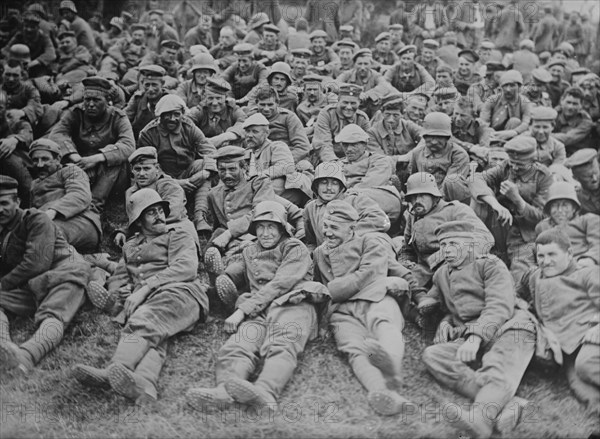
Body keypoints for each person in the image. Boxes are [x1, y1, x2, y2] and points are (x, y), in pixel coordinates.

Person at [185, 201, 327, 411]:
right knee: (239, 345)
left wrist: (242, 310)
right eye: (260, 226)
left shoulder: (294, 248)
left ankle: (266, 391)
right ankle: (224, 390)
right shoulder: (250, 250)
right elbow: (238, 271)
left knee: (283, 343)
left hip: (293, 303)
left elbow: (281, 283)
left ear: (282, 228)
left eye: (272, 227)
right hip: (260, 309)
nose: (266, 233)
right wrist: (218, 278)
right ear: (253, 229)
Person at [72, 189, 208, 404]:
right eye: (151, 212)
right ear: (138, 220)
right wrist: (122, 291)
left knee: (143, 322)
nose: (159, 216)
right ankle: (145, 384)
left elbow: (187, 268)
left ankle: (117, 368)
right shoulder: (130, 246)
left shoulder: (178, 234)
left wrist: (144, 287)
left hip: (181, 293)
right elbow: (120, 276)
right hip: (150, 303)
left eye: (160, 211)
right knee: (155, 337)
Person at [419, 220, 535, 439]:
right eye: (443, 245)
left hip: (510, 326)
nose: (447, 250)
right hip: (470, 333)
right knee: (433, 355)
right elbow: (441, 303)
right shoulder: (442, 274)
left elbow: (499, 305)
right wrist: (444, 321)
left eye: (454, 243)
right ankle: (508, 401)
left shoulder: (490, 264)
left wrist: (474, 338)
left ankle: (481, 419)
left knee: (499, 365)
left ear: (470, 244)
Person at [313, 201, 412, 416]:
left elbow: (368, 274)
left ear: (352, 228)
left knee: (384, 324)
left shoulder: (370, 242)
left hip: (375, 296)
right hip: (342, 311)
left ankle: (391, 367)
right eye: (326, 226)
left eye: (334, 228)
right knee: (353, 348)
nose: (328, 233)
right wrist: (322, 322)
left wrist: (333, 290)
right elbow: (317, 287)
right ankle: (382, 391)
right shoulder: (320, 253)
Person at [0, 175, 91, 375]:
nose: (0, 210)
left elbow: (36, 263)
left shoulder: (35, 219)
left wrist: (3, 284)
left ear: (17, 202)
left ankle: (27, 355)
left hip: (64, 273)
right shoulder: (3, 229)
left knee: (54, 313)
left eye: (4, 203)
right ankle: (4, 345)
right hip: (33, 285)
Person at [518, 229, 599, 413]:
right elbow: (514, 291)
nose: (546, 261)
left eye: (552, 254)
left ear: (569, 254)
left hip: (591, 337)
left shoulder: (587, 273)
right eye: (541, 256)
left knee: (586, 365)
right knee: (582, 388)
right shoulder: (534, 276)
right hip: (567, 348)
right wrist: (519, 303)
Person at [469, 136, 553, 283]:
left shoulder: (543, 176)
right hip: (498, 225)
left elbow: (542, 217)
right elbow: (475, 179)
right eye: (512, 162)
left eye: (520, 164)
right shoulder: (505, 167)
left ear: (533, 161)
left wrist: (518, 200)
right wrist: (496, 205)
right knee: (479, 200)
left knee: (520, 271)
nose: (514, 168)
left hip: (523, 233)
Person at [399, 172, 493, 297]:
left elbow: (485, 238)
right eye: (413, 197)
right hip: (422, 274)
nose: (417, 201)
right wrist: (405, 263)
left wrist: (444, 255)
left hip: (453, 268)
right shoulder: (413, 216)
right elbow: (407, 249)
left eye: (422, 196)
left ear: (434, 196)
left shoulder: (455, 210)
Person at [49, 76, 135, 212]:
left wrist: (97, 158)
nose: (90, 104)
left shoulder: (118, 117)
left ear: (107, 101)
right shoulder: (76, 113)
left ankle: (95, 205)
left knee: (115, 160)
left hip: (111, 177)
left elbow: (128, 145)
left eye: (96, 100)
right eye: (87, 100)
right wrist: (74, 156)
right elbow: (57, 134)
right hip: (82, 166)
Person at [138, 94, 217, 235]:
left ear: (182, 114)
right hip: (162, 179)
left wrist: (205, 172)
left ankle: (200, 216)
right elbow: (148, 165)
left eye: (176, 114)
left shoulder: (189, 127)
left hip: (188, 171)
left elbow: (208, 149)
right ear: (159, 115)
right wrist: (176, 182)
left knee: (202, 165)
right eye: (167, 115)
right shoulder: (148, 133)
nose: (173, 119)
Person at [28, 138, 101, 254]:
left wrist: (52, 211)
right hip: (50, 223)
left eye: (45, 159)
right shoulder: (34, 184)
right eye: (35, 160)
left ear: (58, 159)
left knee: (45, 234)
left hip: (81, 220)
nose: (40, 165)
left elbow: (80, 195)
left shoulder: (71, 170)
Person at [303, 162, 391, 252]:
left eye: (334, 183)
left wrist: (347, 234)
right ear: (316, 186)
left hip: (356, 252)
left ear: (341, 186)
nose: (329, 188)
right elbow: (311, 242)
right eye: (324, 183)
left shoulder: (355, 200)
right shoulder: (310, 208)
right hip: (328, 256)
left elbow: (380, 219)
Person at [242, 113, 311, 206]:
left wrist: (259, 176)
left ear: (267, 133)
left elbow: (286, 166)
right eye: (247, 131)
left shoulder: (276, 146)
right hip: (259, 190)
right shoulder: (245, 154)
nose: (250, 135)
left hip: (282, 191)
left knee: (270, 185)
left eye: (255, 131)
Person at [408, 112, 470, 200]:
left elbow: (451, 185)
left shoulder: (459, 155)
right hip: (424, 199)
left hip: (451, 200)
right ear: (424, 137)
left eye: (439, 137)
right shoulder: (417, 153)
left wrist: (433, 203)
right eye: (430, 137)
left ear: (447, 138)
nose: (434, 142)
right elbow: (412, 179)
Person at [535, 182, 599, 266]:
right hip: (553, 267)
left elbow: (597, 245)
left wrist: (589, 259)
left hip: (583, 265)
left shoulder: (588, 220)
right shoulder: (542, 227)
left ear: (574, 208)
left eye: (565, 205)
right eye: (554, 206)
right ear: (549, 209)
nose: (560, 210)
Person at [250, 86, 311, 165]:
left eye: (270, 105)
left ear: (277, 103)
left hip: (287, 156)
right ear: (256, 103)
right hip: (260, 158)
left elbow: (303, 147)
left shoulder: (288, 117)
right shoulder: (252, 117)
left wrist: (283, 160)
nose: (266, 109)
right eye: (262, 104)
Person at [313, 84, 370, 163]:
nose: (349, 107)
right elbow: (323, 143)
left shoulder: (362, 118)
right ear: (338, 101)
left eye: (353, 103)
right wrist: (334, 162)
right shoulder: (327, 114)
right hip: (328, 159)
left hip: (355, 160)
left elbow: (368, 144)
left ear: (359, 103)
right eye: (345, 102)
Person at [187, 77, 246, 148]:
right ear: (205, 98)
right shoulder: (200, 110)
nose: (214, 103)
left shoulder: (232, 109)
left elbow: (244, 123)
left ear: (225, 98)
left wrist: (226, 136)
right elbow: (186, 124)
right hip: (204, 150)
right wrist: (202, 140)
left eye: (218, 98)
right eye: (210, 98)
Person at [336, 49, 395, 119]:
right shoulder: (348, 74)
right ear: (354, 64)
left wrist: (367, 95)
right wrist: (355, 93)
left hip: (370, 111)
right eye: (359, 64)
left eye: (366, 64)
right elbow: (335, 84)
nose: (362, 67)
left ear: (371, 65)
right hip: (350, 109)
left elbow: (384, 86)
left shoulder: (376, 75)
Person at [0, 90, 33, 207]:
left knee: (7, 156)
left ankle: (29, 204)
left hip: (21, 168)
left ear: (6, 108)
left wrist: (14, 139)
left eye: (0, 108)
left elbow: (27, 134)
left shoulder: (16, 123)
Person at [480, 70, 532, 142]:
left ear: (519, 87)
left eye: (512, 85)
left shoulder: (524, 102)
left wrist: (513, 132)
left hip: (514, 136)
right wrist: (490, 132)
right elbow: (483, 121)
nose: (508, 89)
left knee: (514, 121)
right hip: (492, 134)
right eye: (505, 85)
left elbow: (526, 123)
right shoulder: (492, 100)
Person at [1, 11, 56, 78]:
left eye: (32, 27)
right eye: (26, 26)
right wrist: (13, 60)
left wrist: (33, 63)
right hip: (19, 66)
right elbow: (5, 50)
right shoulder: (19, 35)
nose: (29, 29)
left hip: (38, 67)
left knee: (41, 82)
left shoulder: (44, 37)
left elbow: (51, 54)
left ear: (38, 28)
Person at [125, 65, 169, 139]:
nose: (150, 89)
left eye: (154, 85)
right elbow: (125, 119)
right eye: (147, 85)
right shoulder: (138, 98)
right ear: (142, 83)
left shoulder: (168, 99)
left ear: (162, 84)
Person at [553, 86, 596, 153]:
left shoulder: (586, 121)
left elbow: (567, 139)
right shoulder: (555, 113)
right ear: (562, 101)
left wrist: (544, 135)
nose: (570, 107)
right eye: (568, 102)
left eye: (575, 104)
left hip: (575, 156)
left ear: (581, 105)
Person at [565, 149, 600, 216]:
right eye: (587, 176)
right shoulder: (577, 198)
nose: (595, 179)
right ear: (575, 178)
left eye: (596, 173)